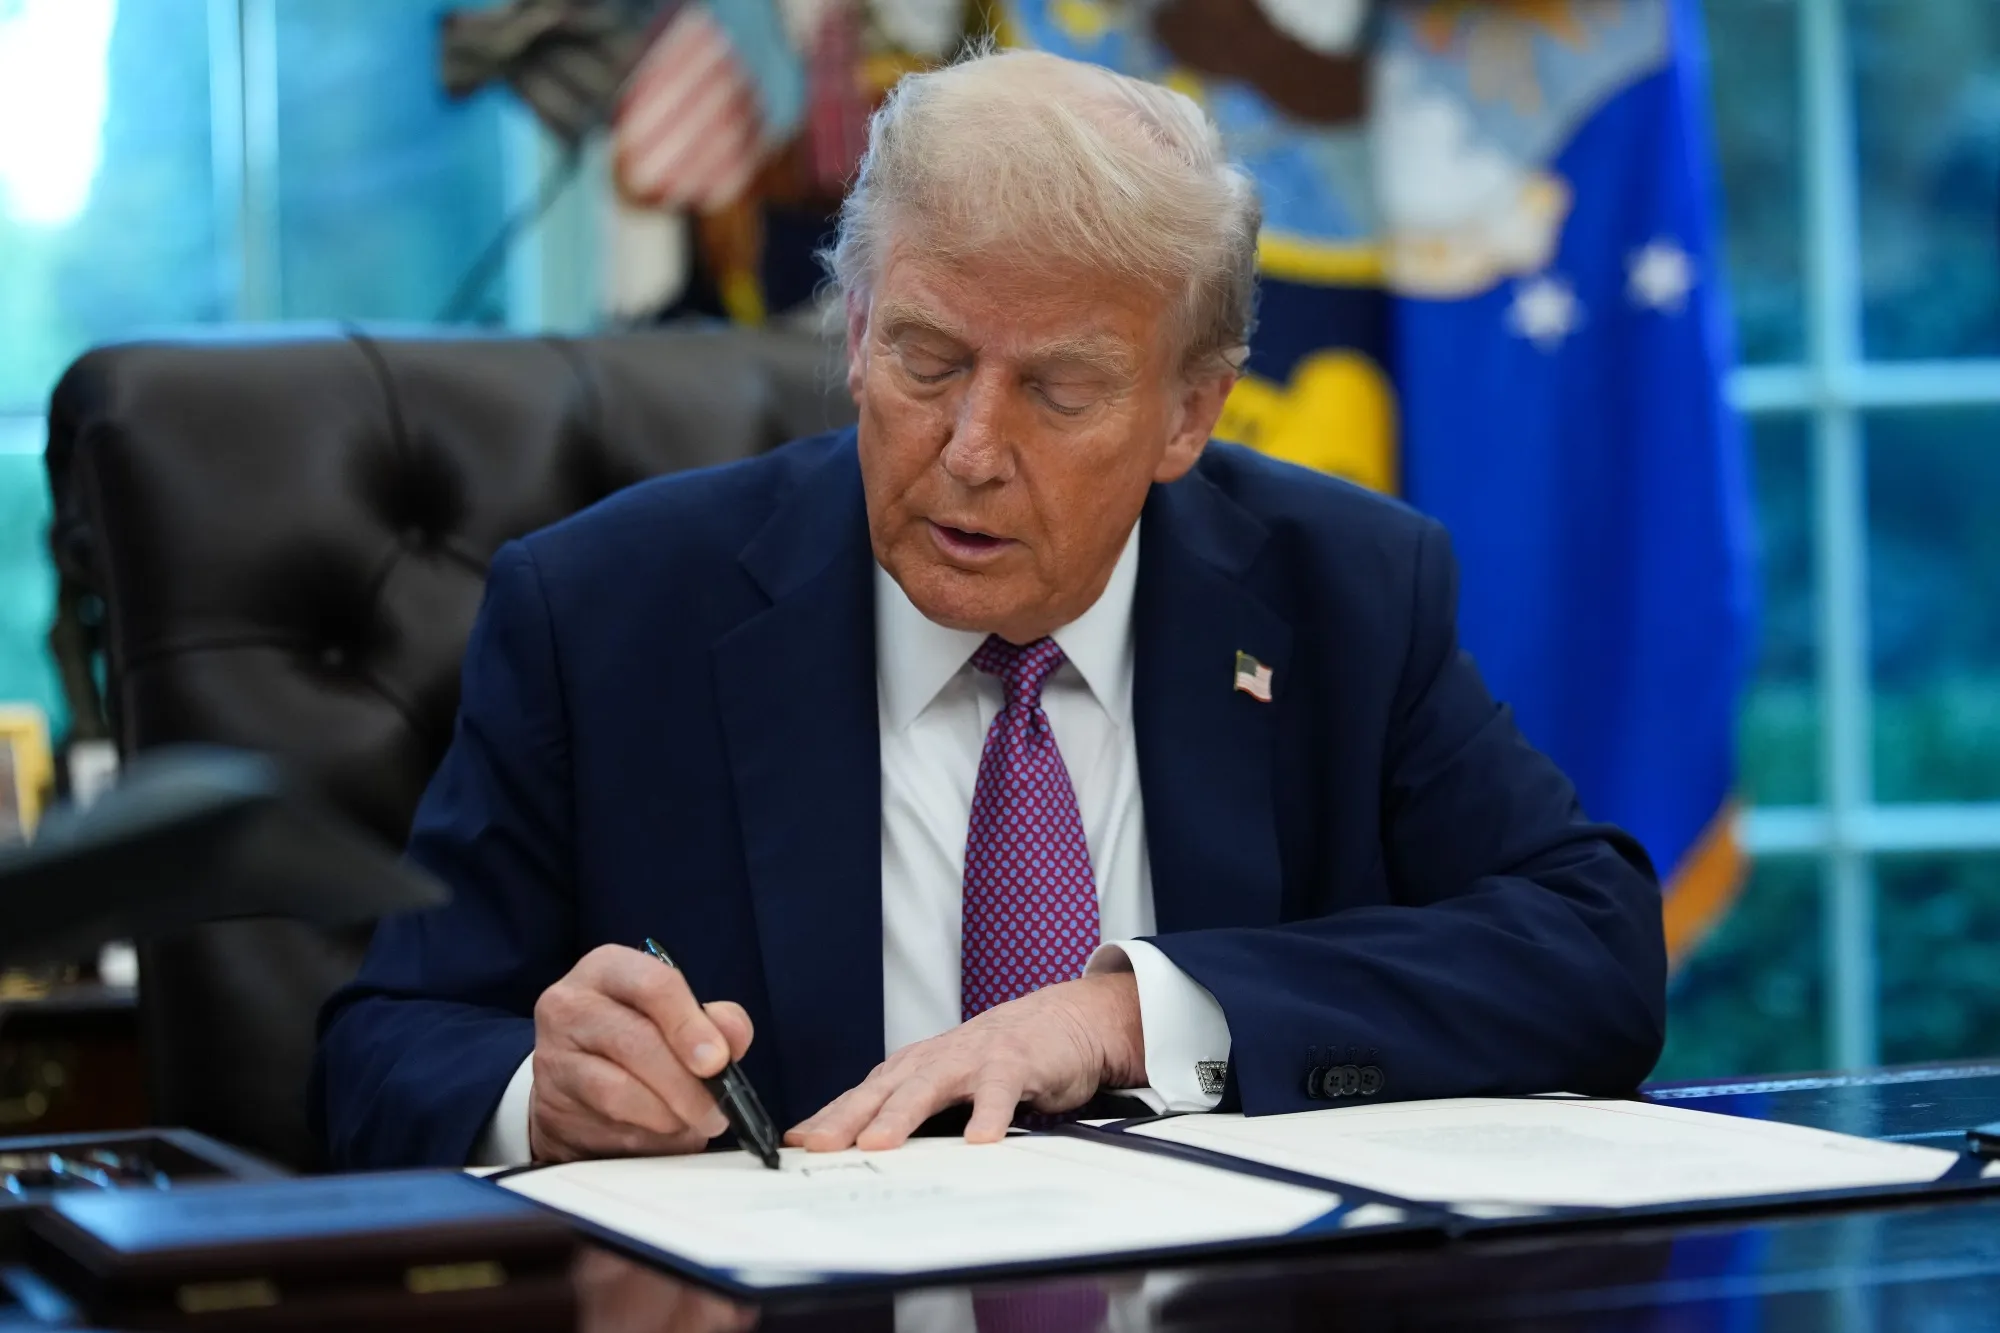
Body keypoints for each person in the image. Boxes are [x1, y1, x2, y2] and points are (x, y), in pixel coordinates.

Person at [313, 48, 1666, 1170]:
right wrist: (539, 1092)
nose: (968, 446)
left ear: (1189, 412)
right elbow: (377, 1053)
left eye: (1059, 392)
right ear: (853, 336)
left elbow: (1591, 951)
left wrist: (1133, 1018)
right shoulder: (605, 615)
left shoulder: (1343, 593)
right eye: (925, 357)